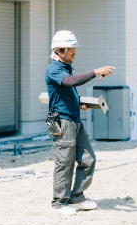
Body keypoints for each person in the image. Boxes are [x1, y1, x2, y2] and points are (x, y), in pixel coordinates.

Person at [45, 30, 115, 215]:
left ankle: (76, 197)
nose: (74, 51)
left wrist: (79, 102)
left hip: (75, 121)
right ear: (60, 50)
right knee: (64, 163)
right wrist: (95, 72)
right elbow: (70, 82)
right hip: (63, 122)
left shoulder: (66, 68)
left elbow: (66, 90)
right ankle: (59, 203)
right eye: (71, 49)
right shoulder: (54, 69)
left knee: (88, 159)